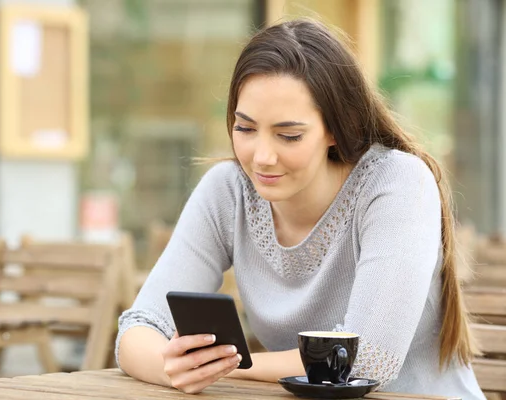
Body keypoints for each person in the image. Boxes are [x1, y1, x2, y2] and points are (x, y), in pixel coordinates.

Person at [115, 18, 485, 399]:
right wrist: (172, 367)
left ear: (336, 127)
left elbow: (366, 361)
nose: (261, 157)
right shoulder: (228, 191)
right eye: (244, 128)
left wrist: (226, 367)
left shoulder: (396, 183)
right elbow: (137, 329)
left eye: (288, 135)